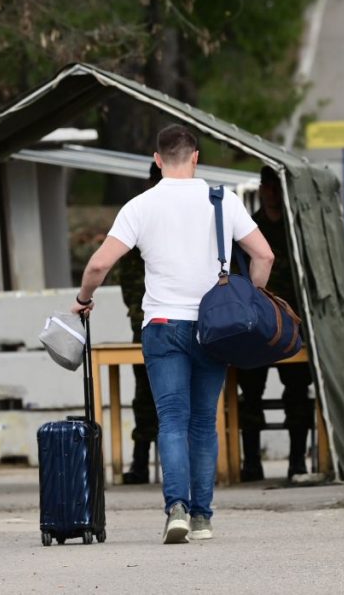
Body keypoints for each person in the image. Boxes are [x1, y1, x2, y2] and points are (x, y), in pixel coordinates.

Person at [70, 125, 273, 544]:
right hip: (214, 329)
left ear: (158, 159)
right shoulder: (222, 201)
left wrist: (83, 298)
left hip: (162, 327)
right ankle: (202, 518)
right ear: (196, 157)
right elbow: (264, 254)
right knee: (204, 422)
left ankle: (175, 509)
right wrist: (251, 300)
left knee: (172, 421)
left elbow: (96, 266)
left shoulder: (140, 206)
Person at [236, 166, 313, 483]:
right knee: (250, 394)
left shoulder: (298, 230)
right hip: (256, 326)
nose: (271, 191)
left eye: (276, 186)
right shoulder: (249, 228)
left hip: (290, 323)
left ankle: (297, 462)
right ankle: (252, 463)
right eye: (267, 185)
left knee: (297, 392)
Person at [116, 162, 163, 485]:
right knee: (144, 391)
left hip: (175, 313)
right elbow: (128, 275)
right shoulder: (139, 214)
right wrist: (137, 308)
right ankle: (139, 459)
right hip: (145, 316)